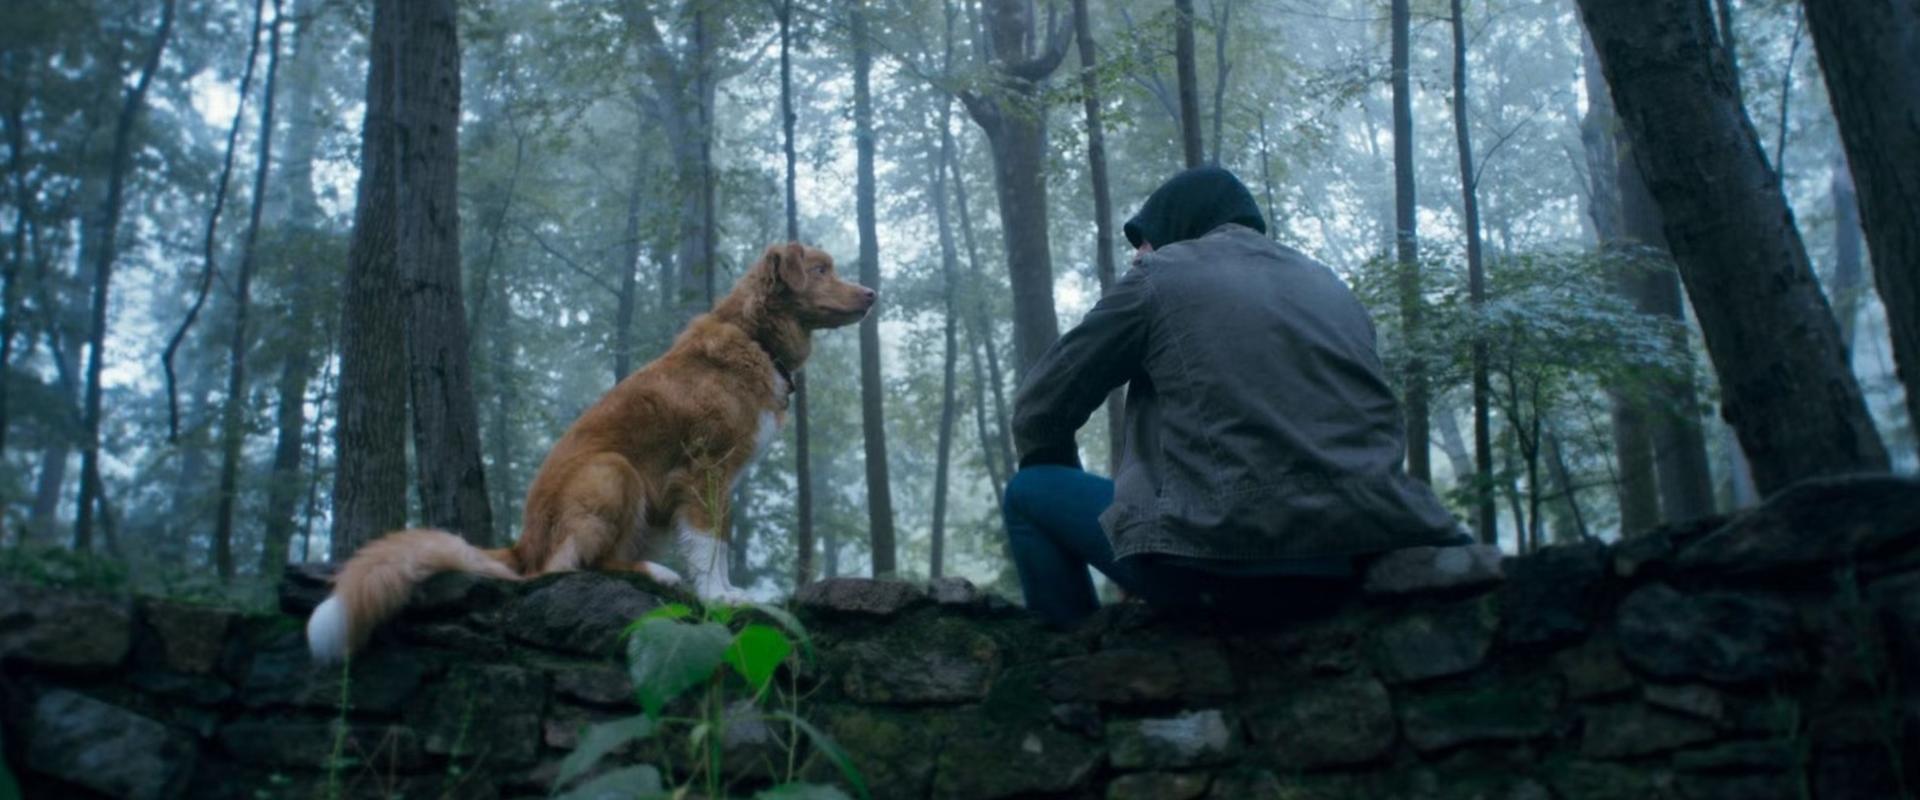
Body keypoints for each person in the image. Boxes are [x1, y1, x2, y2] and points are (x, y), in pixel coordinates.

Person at [1003, 166, 1462, 628]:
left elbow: (1039, 409)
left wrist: (1061, 469)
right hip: (1365, 548)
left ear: (1175, 225)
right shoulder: (1329, 284)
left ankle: (1073, 666)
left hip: (1225, 560)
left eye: (1143, 239)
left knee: (1030, 490)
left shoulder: (1159, 277)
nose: (1139, 254)